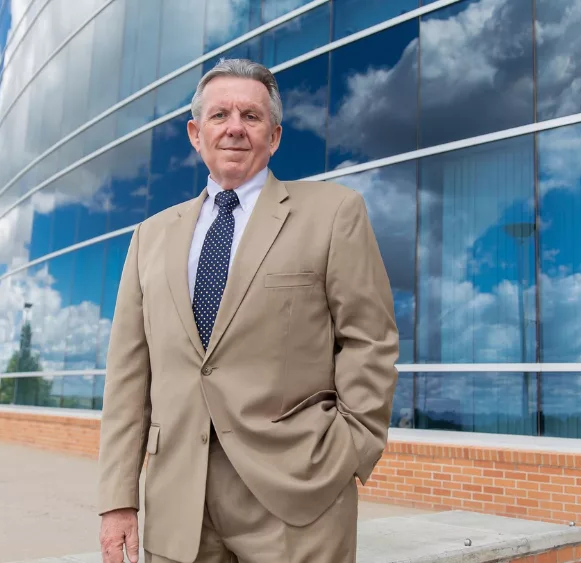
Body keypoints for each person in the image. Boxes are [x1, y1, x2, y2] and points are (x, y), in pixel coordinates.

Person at [97, 58, 399, 563]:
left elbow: (370, 341)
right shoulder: (148, 236)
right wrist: (117, 499)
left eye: (251, 116)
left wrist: (351, 447)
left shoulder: (334, 213)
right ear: (196, 134)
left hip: (297, 499)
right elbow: (128, 375)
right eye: (219, 115)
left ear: (275, 136)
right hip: (178, 507)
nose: (234, 127)